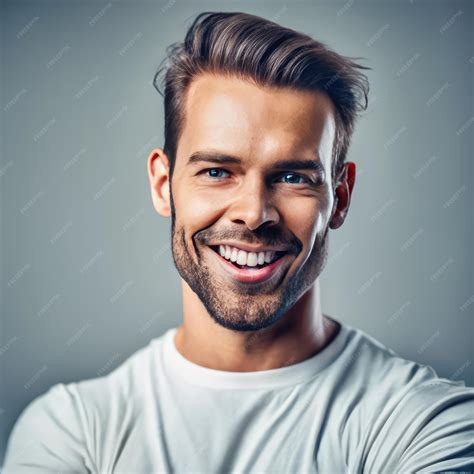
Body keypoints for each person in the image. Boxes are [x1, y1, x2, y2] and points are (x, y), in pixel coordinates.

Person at [3, 11, 473, 473]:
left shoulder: (427, 425)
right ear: (163, 184)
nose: (253, 212)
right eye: (216, 172)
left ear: (341, 197)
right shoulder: (72, 432)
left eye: (292, 177)